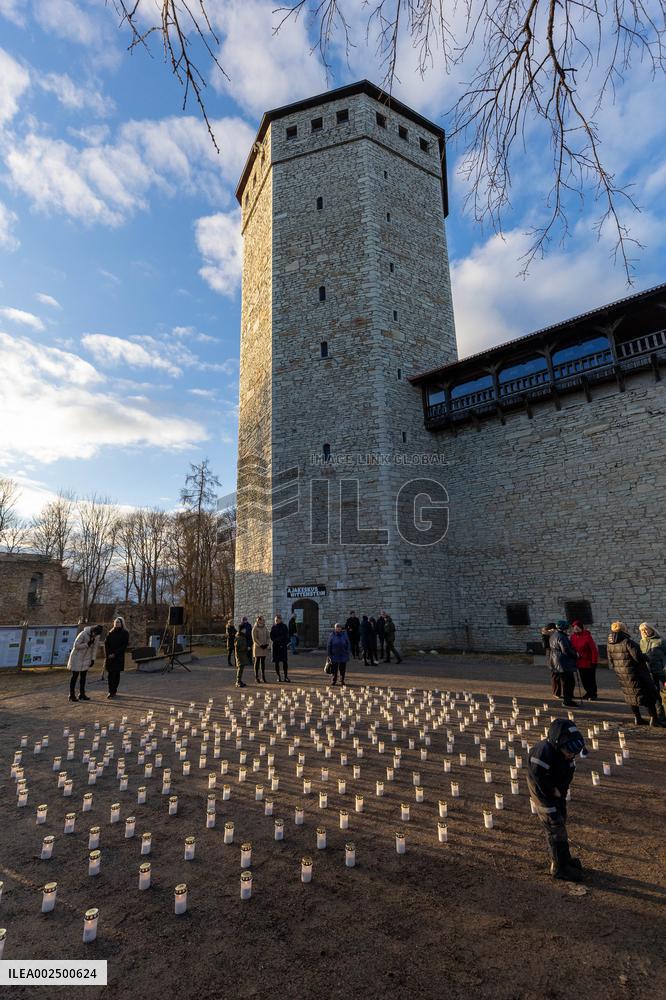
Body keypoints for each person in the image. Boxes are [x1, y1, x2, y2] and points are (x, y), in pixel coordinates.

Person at [527, 718, 586, 882]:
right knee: (554, 825)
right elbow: (539, 778)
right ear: (557, 745)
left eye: (574, 753)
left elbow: (568, 773)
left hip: (558, 789)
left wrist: (561, 791)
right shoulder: (541, 755)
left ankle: (565, 858)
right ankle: (559, 867)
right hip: (542, 792)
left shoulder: (567, 755)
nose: (571, 755)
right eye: (569, 752)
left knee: (561, 819)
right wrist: (552, 791)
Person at [607, 621, 665, 727]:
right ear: (623, 629)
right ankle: (654, 720)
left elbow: (611, 661)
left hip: (623, 675)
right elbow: (638, 657)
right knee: (649, 695)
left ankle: (638, 718)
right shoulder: (628, 642)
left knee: (630, 696)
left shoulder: (609, 644)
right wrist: (646, 657)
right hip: (636, 674)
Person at [67, 624, 103, 702]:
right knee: (75, 676)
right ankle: (71, 694)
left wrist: (93, 659)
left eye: (97, 634)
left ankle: (82, 694)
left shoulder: (96, 637)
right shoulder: (83, 634)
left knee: (83, 676)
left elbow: (95, 648)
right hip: (77, 656)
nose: (95, 635)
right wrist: (87, 644)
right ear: (92, 630)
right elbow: (76, 645)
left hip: (86, 657)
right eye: (95, 633)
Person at [638, 622, 666, 721]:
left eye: (646, 629)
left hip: (662, 672)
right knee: (655, 694)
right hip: (649, 672)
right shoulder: (642, 642)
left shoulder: (661, 641)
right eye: (642, 630)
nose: (644, 632)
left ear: (651, 629)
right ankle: (661, 715)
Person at [549, 620, 578, 706]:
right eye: (567, 628)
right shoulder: (561, 637)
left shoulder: (554, 635)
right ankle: (567, 701)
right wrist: (575, 655)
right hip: (563, 662)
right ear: (564, 629)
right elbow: (565, 650)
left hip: (556, 660)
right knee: (568, 682)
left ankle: (568, 699)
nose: (568, 630)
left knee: (566, 681)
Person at [569, 620, 599, 700]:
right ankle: (588, 692)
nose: (576, 629)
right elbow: (571, 648)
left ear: (581, 628)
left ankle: (593, 694)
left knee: (591, 679)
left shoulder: (587, 636)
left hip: (589, 662)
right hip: (579, 662)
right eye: (574, 628)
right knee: (584, 679)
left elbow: (594, 650)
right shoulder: (573, 637)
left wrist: (594, 661)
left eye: (577, 628)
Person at [103, 617, 129, 700]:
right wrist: (108, 654)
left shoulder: (125, 633)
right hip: (110, 657)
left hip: (118, 657)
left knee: (116, 674)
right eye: (115, 622)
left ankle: (114, 690)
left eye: (118, 622)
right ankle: (110, 691)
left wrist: (115, 653)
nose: (116, 623)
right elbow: (106, 644)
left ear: (122, 623)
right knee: (110, 674)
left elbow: (124, 646)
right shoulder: (110, 633)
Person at [270, 614, 290, 682]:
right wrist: (277, 641)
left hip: (283, 646)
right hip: (276, 646)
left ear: (280, 619)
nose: (276, 621)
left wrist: (283, 643)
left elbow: (286, 636)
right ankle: (278, 676)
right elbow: (272, 636)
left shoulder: (284, 626)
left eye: (277, 620)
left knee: (285, 661)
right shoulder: (273, 627)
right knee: (276, 662)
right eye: (275, 620)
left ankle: (286, 676)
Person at [540, 623, 559, 696]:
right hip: (551, 656)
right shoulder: (546, 636)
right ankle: (556, 692)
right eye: (554, 629)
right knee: (555, 675)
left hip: (555, 656)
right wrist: (545, 635)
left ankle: (557, 692)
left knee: (557, 675)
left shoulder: (554, 635)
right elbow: (545, 646)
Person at [252, 615, 269, 683]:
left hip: (264, 647)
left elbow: (268, 636)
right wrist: (260, 645)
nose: (263, 620)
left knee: (263, 662)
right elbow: (254, 639)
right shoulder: (255, 628)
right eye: (261, 619)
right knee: (257, 661)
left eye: (263, 619)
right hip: (258, 648)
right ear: (258, 620)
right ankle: (256, 677)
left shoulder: (265, 627)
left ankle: (263, 676)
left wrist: (267, 643)